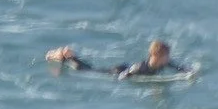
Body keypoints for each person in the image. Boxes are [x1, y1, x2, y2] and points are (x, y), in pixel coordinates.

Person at [47, 39, 195, 81]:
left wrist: (190, 72)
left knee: (89, 68)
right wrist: (125, 78)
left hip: (126, 67)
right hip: (119, 71)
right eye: (165, 56)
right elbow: (124, 76)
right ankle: (64, 56)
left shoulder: (165, 62)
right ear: (156, 56)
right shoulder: (139, 68)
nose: (168, 59)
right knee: (87, 70)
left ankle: (68, 55)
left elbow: (180, 68)